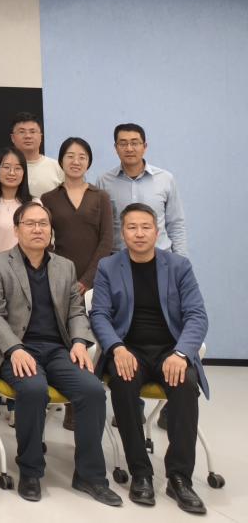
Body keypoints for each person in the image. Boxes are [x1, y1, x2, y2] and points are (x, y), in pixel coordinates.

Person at [0, 202, 120, 505]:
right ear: (16, 230)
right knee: (33, 389)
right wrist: (15, 348)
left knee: (93, 390)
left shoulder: (64, 266)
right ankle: (30, 471)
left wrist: (79, 341)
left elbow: (77, 311)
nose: (38, 229)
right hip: (16, 349)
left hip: (58, 349)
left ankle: (90, 476)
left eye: (43, 224)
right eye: (30, 224)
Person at [91, 204, 209, 514]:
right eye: (132, 227)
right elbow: (99, 315)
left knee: (186, 385)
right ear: (123, 232)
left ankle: (179, 478)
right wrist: (117, 348)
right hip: (129, 349)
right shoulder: (108, 266)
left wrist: (181, 353)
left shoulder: (179, 266)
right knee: (123, 382)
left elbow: (196, 315)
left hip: (171, 349)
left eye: (146, 227)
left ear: (157, 232)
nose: (139, 233)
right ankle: (140, 472)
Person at [96, 123, 188, 256]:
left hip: (159, 258)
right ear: (116, 148)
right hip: (119, 260)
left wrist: (181, 261)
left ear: (145, 146)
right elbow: (101, 229)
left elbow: (176, 224)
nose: (129, 148)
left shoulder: (165, 179)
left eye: (135, 143)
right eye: (123, 143)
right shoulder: (104, 182)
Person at [42, 138, 114, 294]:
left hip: (96, 279)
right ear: (61, 160)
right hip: (59, 277)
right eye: (70, 156)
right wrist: (57, 271)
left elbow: (107, 240)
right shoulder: (48, 198)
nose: (76, 162)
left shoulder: (100, 196)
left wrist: (88, 280)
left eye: (82, 157)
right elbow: (44, 238)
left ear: (88, 162)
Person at [0, 113, 64, 198]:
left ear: (41, 137)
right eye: (22, 132)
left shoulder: (58, 168)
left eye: (32, 131)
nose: (28, 136)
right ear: (12, 138)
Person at [0, 146, 31, 256]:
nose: (12, 173)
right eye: (6, 167)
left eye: (18, 168)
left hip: (28, 265)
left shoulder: (34, 204)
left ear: (24, 172)